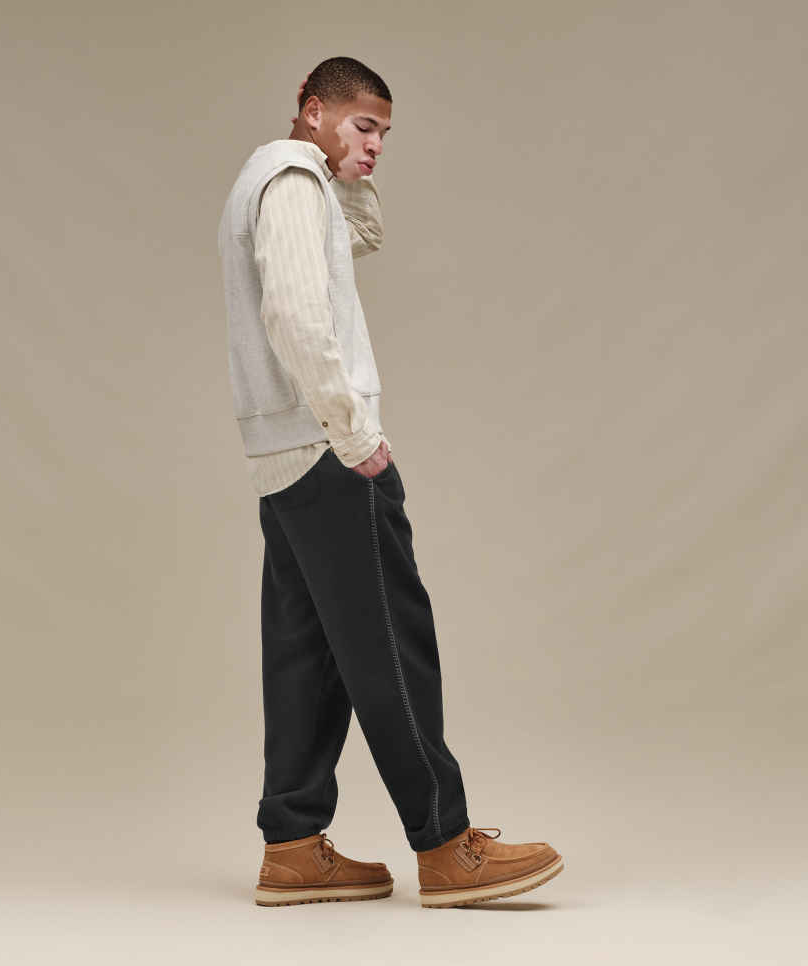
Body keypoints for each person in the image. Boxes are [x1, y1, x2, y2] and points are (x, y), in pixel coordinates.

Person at [217, 56, 564, 908]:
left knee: (306, 653)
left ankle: (293, 846)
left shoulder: (278, 183)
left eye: (384, 133)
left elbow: (358, 239)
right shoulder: (293, 180)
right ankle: (446, 845)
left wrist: (348, 168)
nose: (375, 144)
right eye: (363, 126)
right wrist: (353, 431)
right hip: (328, 450)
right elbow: (296, 314)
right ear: (312, 111)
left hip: (281, 457)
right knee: (391, 644)